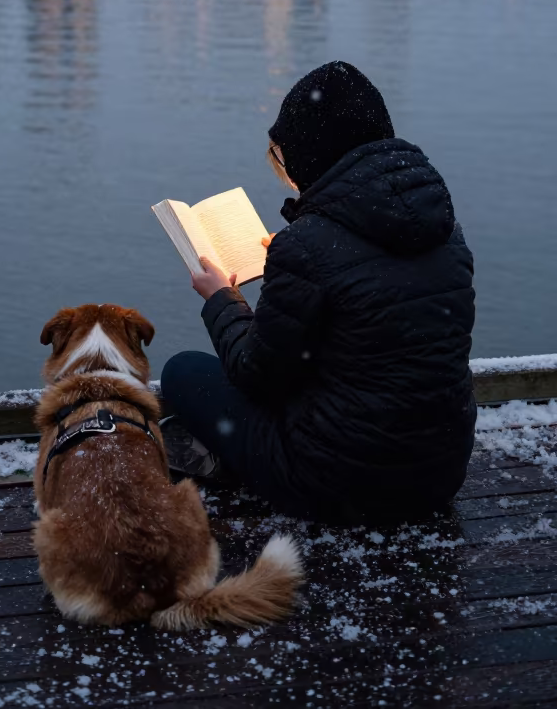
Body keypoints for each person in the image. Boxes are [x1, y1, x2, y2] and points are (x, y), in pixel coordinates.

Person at [161, 61, 476, 521]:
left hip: (337, 485)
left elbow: (257, 376)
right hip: (437, 475)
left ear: (311, 154)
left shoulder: (309, 245)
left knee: (184, 372)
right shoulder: (446, 229)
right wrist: (294, 274)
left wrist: (220, 300)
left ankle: (224, 462)